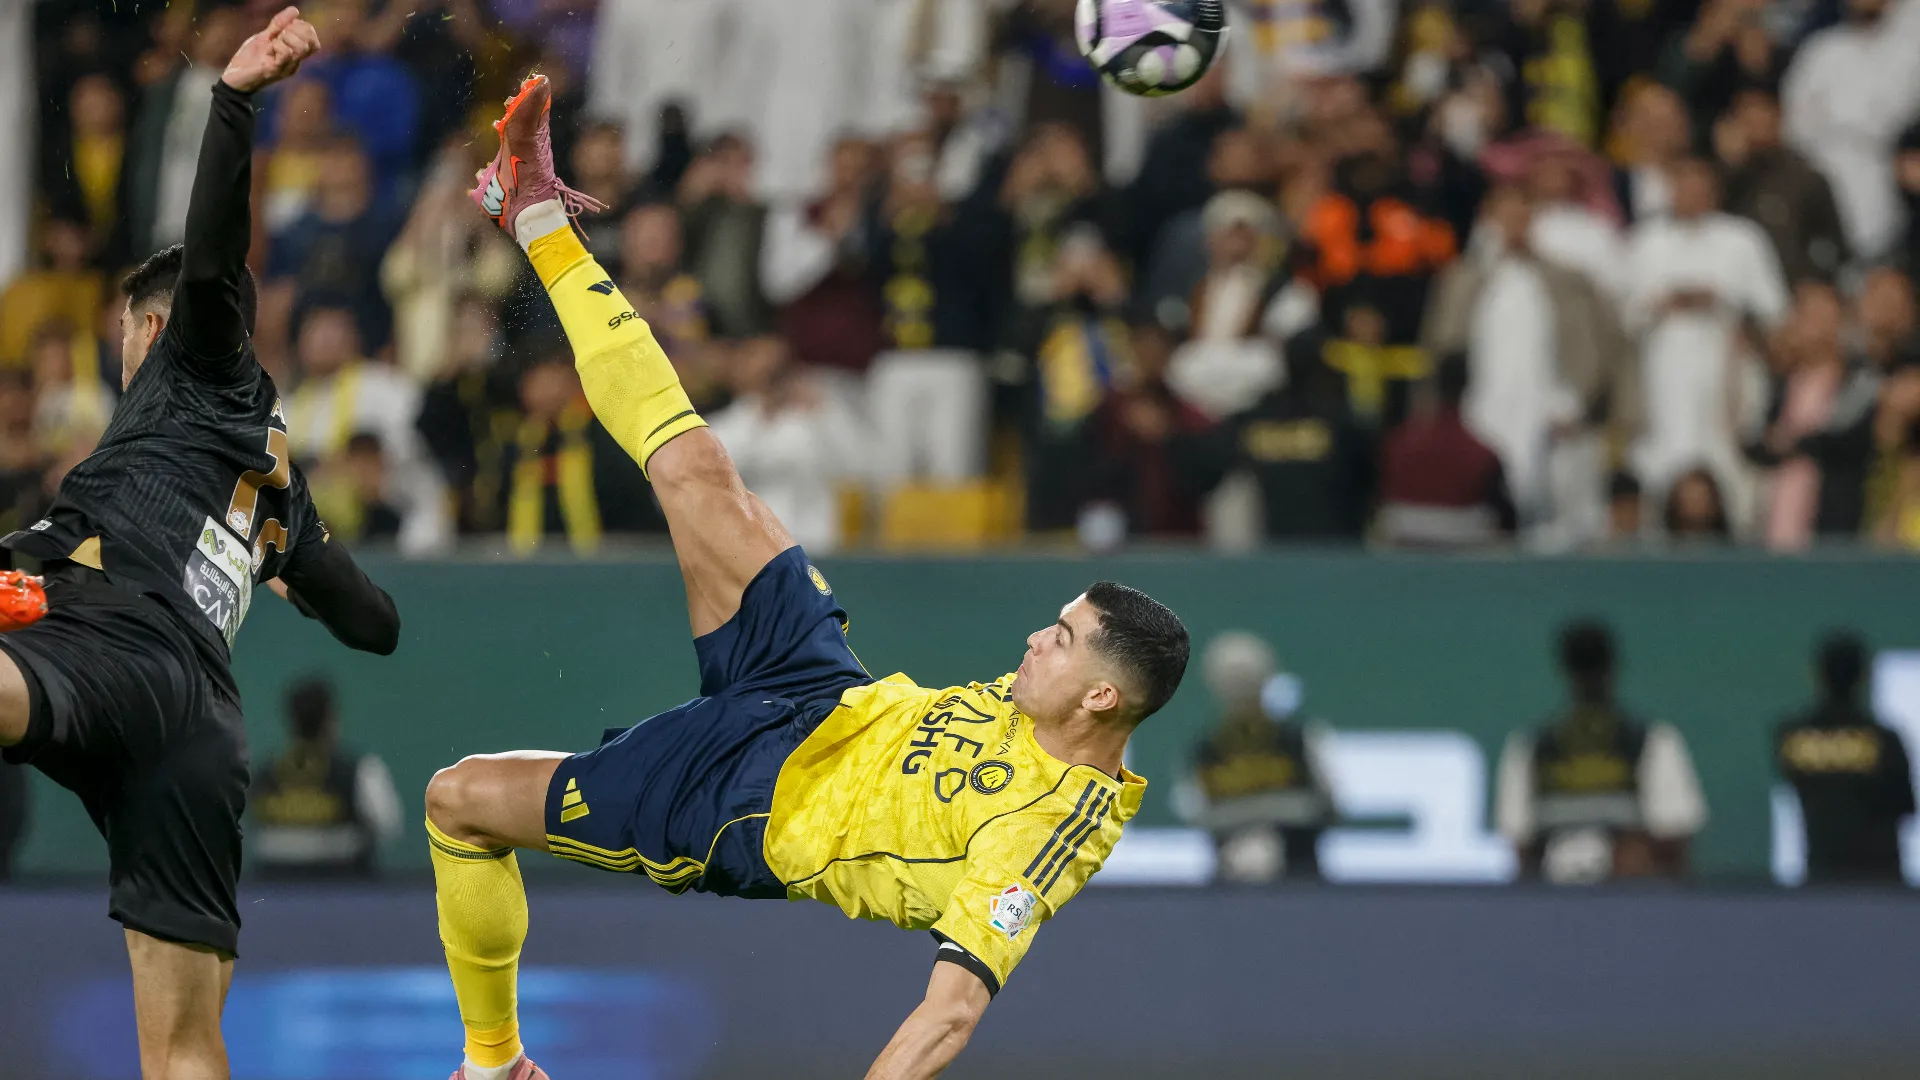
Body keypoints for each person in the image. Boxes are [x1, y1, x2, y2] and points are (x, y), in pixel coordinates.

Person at [425, 75, 1190, 1080]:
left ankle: (491, 1065)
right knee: (700, 468)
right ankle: (528, 209)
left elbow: (949, 1016)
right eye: (1054, 620)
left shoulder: (1043, 834)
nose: (1036, 637)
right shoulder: (1049, 701)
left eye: (1062, 637)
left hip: (748, 803)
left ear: (1101, 693)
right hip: (822, 688)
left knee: (459, 799)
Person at [0, 12, 398, 1080]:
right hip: (197, 733)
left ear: (144, 331)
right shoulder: (277, 495)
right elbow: (379, 626)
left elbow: (215, 260)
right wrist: (294, 562)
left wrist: (232, 101)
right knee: (183, 1049)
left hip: (109, 652)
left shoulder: (193, 367)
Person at [1495, 620, 1708, 885]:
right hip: (1555, 898)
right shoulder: (1532, 747)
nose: (1589, 678)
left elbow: (1675, 841)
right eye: (1583, 668)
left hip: (1631, 899)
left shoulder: (1651, 742)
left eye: (1593, 667)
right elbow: (1521, 849)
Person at [1180, 632, 1334, 884]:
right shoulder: (1206, 750)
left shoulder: (1298, 740)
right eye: (1230, 675)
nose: (1239, 682)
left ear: (1267, 674)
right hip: (1227, 883)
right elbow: (1199, 813)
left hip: (1300, 876)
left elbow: (1328, 805)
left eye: (1246, 673)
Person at [1776, 632, 1916, 884]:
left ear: (1816, 674)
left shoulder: (1791, 735)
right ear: (1864, 676)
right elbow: (1905, 805)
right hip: (1882, 880)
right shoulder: (1884, 739)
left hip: (1821, 874)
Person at [251, 675, 403, 879]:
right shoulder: (359, 770)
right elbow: (388, 826)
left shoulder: (264, 772)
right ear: (329, 719)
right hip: (344, 890)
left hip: (273, 888)